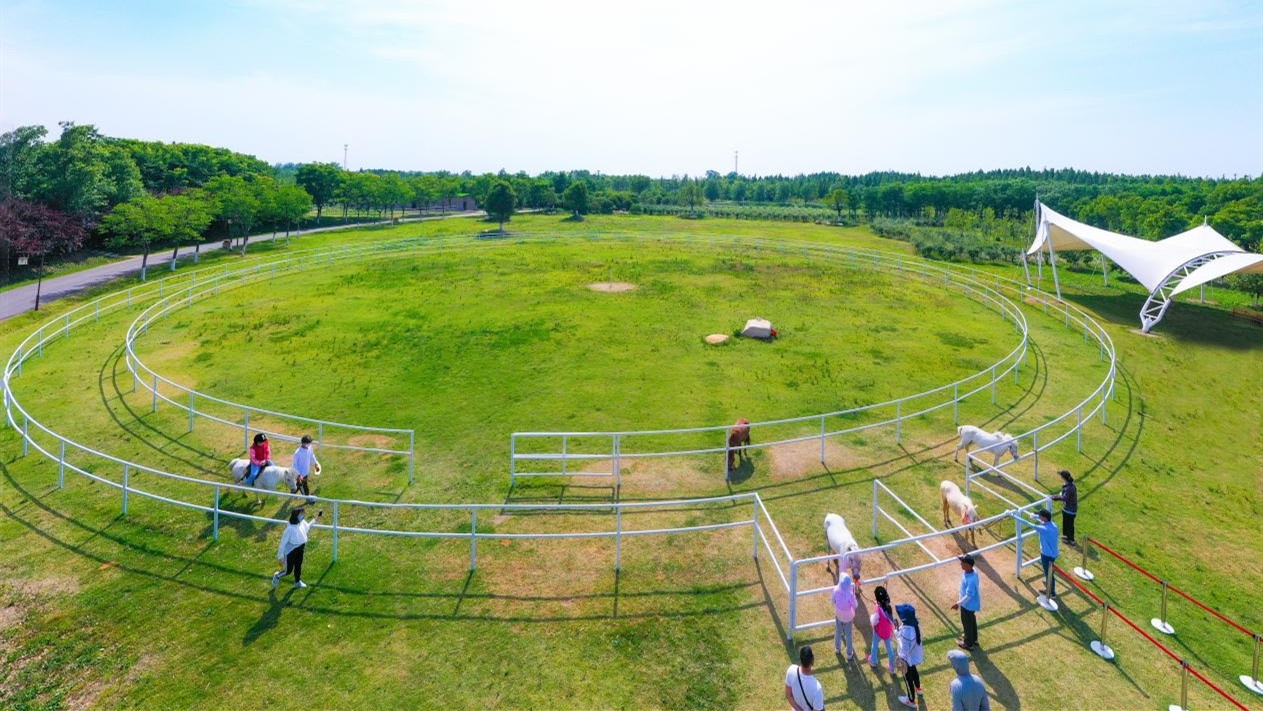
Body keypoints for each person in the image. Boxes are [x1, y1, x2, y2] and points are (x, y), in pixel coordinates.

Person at [273, 506, 322, 589]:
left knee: (298, 565)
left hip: (301, 547)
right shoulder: (289, 529)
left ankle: (297, 582)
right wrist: (280, 557)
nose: (303, 515)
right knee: (288, 571)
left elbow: (307, 528)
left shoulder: (302, 522)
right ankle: (277, 576)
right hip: (291, 551)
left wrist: (316, 519)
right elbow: (282, 543)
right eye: (301, 514)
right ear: (296, 515)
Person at [895, 603, 924, 709]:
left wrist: (897, 635)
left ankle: (911, 700)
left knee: (908, 679)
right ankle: (919, 689)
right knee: (914, 673)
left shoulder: (907, 632)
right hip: (913, 657)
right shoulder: (915, 624)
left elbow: (904, 649)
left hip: (907, 659)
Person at [951, 553, 981, 650]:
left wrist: (958, 604)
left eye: (962, 562)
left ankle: (968, 643)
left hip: (967, 605)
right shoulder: (971, 572)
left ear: (968, 565)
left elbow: (969, 595)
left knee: (967, 623)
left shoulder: (971, 579)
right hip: (969, 605)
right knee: (971, 621)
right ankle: (974, 639)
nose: (961, 564)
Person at [1029, 508, 1060, 598]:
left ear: (1045, 518)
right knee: (1049, 573)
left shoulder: (1044, 529)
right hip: (1052, 554)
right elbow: (1041, 520)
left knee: (1049, 573)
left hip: (1047, 555)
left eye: (1040, 516)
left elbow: (1028, 524)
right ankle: (1050, 587)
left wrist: (1014, 516)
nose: (1039, 517)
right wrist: (1034, 516)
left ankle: (1051, 592)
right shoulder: (1053, 525)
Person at [784, 645, 824, 711]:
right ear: (812, 660)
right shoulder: (817, 688)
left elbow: (788, 695)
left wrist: (798, 709)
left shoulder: (791, 670)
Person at [869, 585, 897, 674]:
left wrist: (876, 607)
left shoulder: (878, 610)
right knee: (890, 649)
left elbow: (874, 621)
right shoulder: (889, 608)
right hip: (887, 632)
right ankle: (892, 667)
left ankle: (873, 660)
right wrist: (877, 604)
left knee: (874, 645)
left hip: (878, 631)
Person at [831, 574, 858, 659]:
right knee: (848, 635)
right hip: (848, 618)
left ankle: (837, 648)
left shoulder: (835, 590)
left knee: (838, 631)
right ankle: (849, 653)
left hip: (839, 615)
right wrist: (854, 598)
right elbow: (855, 605)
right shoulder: (850, 594)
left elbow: (833, 600)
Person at [292, 435, 322, 503]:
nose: (310, 444)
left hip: (305, 473)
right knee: (304, 488)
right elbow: (294, 465)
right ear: (304, 443)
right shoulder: (297, 453)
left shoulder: (309, 448)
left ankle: (293, 493)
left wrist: (316, 464)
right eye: (309, 443)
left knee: (298, 485)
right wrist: (299, 475)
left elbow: (312, 455)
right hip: (300, 475)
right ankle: (308, 499)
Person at [1051, 469, 1078, 545]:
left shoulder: (1069, 487)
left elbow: (1064, 498)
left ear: (1063, 478)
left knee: (1069, 524)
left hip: (1070, 510)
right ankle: (1067, 537)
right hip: (1067, 508)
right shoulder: (1069, 485)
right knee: (1066, 523)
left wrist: (1055, 498)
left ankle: (1071, 540)